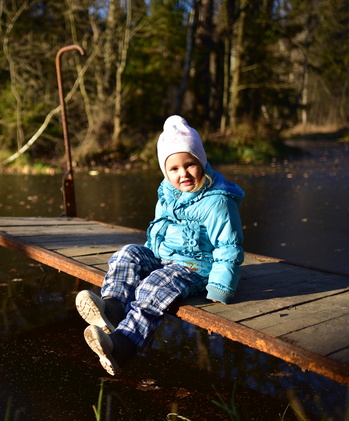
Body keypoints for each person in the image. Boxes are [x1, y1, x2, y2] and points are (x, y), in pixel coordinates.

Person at [76, 115, 245, 376]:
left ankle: (123, 345)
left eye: (190, 165)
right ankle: (113, 307)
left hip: (196, 267)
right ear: (165, 171)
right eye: (174, 169)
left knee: (154, 286)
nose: (183, 174)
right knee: (127, 254)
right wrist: (146, 259)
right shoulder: (167, 192)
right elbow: (159, 228)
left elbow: (227, 245)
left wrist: (221, 286)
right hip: (164, 257)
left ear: (201, 161)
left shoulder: (217, 201)